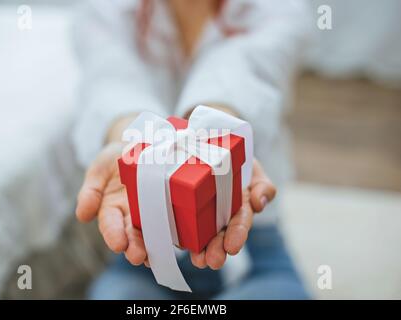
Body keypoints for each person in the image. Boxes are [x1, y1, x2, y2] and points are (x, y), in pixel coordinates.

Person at [73, 0, 310, 299]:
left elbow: (246, 68)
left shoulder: (278, 8)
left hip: (254, 245)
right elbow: (109, 80)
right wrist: (130, 140)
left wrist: (211, 131)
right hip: (144, 240)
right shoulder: (105, 9)